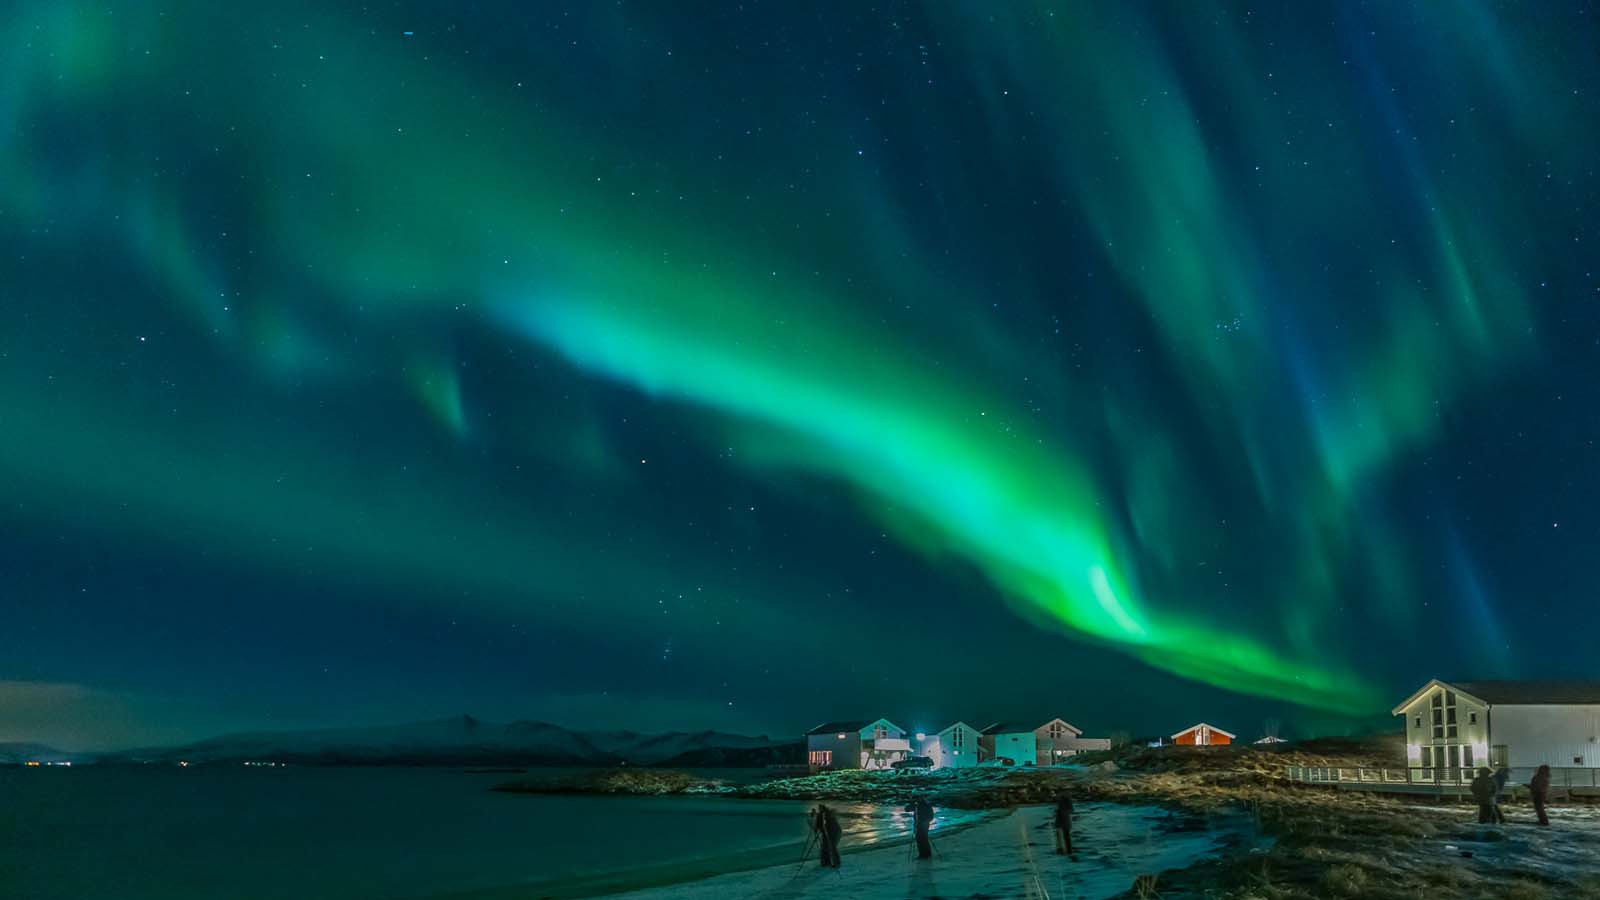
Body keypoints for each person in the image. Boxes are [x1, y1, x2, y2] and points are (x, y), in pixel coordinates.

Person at [810, 803, 843, 868]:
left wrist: (816, 818)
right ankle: (826, 862)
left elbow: (822, 824)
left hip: (833, 832)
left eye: (820, 808)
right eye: (819, 808)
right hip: (827, 832)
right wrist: (814, 818)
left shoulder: (827, 814)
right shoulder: (821, 815)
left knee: (832, 846)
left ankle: (835, 862)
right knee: (825, 847)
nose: (819, 809)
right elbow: (817, 826)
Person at [1053, 791, 1074, 855]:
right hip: (1064, 820)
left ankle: (1063, 850)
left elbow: (1070, 810)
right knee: (1064, 836)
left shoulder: (1063, 802)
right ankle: (1065, 850)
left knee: (1063, 836)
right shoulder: (1064, 802)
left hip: (1063, 821)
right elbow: (1071, 810)